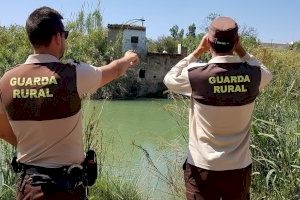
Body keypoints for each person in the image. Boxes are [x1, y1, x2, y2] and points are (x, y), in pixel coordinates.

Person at [0, 6, 139, 200]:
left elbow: (1, 127)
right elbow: (114, 70)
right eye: (64, 34)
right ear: (57, 37)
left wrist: (28, 145)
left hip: (29, 187)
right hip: (66, 189)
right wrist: (128, 58)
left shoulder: (6, 80)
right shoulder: (73, 74)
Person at [164, 16, 272, 200]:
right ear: (236, 41)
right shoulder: (255, 75)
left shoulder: (197, 75)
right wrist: (241, 50)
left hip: (202, 166)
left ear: (209, 41)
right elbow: (266, 71)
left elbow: (169, 78)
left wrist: (196, 52)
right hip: (239, 168)